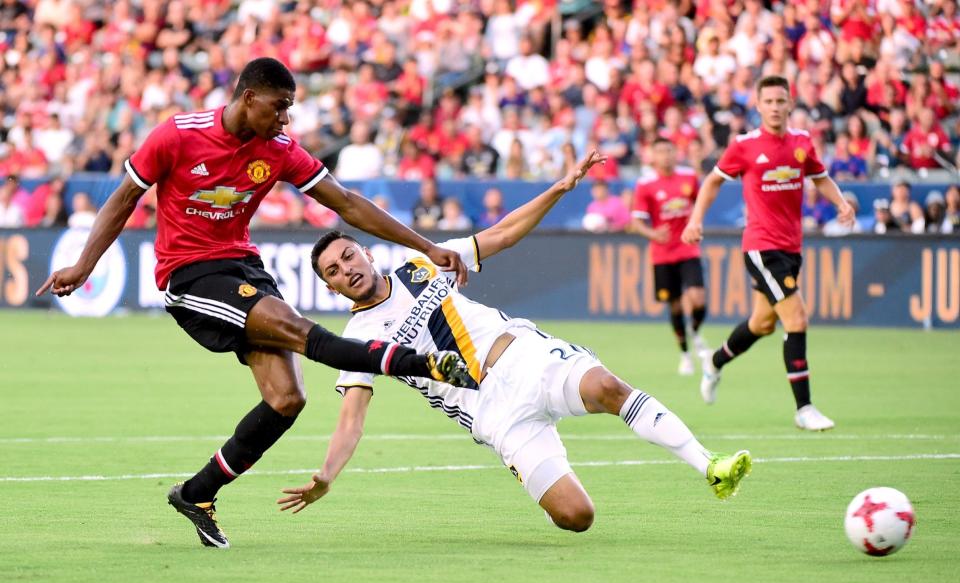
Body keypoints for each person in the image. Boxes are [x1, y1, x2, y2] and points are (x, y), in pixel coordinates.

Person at [36, 58, 471, 549]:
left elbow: (346, 202)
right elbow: (122, 201)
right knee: (304, 334)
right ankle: (424, 365)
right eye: (280, 107)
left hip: (244, 265)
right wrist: (83, 265)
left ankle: (197, 494)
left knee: (287, 398)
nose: (285, 119)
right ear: (249, 98)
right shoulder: (176, 136)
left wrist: (425, 246)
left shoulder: (279, 149)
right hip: (190, 274)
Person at [276, 151, 752, 530]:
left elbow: (502, 234)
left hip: (525, 357)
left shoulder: (421, 264)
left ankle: (709, 464)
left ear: (364, 251)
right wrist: (326, 476)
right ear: (329, 287)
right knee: (576, 518)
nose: (347, 270)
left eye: (347, 256)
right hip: (494, 416)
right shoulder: (356, 341)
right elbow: (351, 419)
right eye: (333, 271)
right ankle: (542, 475)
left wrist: (560, 188)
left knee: (607, 387)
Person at [681, 75, 856, 432]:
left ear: (790, 104)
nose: (775, 107)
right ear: (758, 106)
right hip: (761, 246)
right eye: (769, 102)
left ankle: (714, 362)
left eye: (781, 101)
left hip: (791, 246)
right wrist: (695, 219)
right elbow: (712, 181)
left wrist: (842, 204)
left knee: (762, 323)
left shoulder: (802, 143)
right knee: (797, 318)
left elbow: (819, 176)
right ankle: (804, 408)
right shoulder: (744, 146)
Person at [632, 138, 708, 376]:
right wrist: (652, 233)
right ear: (652, 157)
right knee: (674, 305)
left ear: (676, 153)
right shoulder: (646, 184)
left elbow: (701, 203)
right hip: (662, 255)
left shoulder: (688, 177)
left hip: (688, 248)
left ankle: (695, 332)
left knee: (698, 299)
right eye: (660, 152)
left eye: (669, 150)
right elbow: (636, 221)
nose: (665, 155)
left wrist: (695, 223)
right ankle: (685, 354)